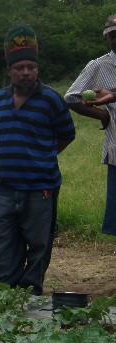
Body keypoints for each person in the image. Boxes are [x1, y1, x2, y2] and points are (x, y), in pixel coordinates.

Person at [0, 25, 75, 295]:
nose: (26, 72)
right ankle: (5, 290)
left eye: (31, 67)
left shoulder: (51, 99)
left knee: (38, 242)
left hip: (41, 187)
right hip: (7, 185)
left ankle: (30, 292)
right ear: (9, 70)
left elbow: (66, 135)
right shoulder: (1, 98)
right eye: (19, 67)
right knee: (3, 240)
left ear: (37, 69)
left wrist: (43, 155)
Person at [64, 14, 116, 236]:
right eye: (113, 35)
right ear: (107, 38)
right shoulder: (99, 66)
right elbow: (71, 97)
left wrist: (112, 95)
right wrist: (101, 115)